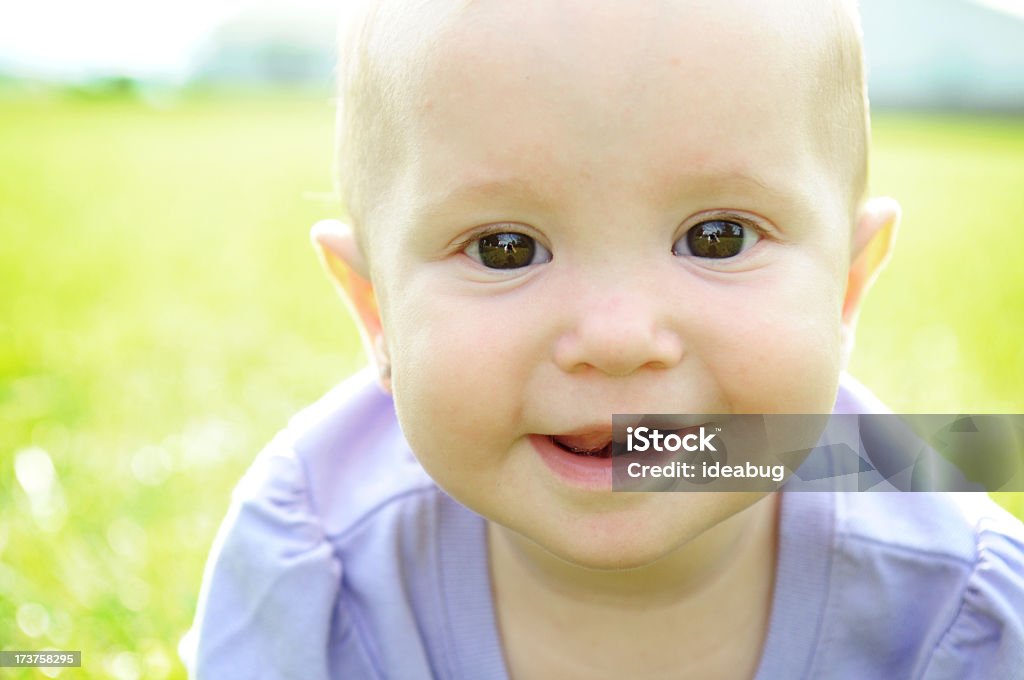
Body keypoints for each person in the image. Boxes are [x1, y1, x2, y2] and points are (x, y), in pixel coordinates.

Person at [184, 0, 1024, 677]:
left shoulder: (964, 598)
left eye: (718, 238)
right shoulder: (310, 565)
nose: (618, 338)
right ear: (375, 312)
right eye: (503, 249)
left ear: (846, 286)